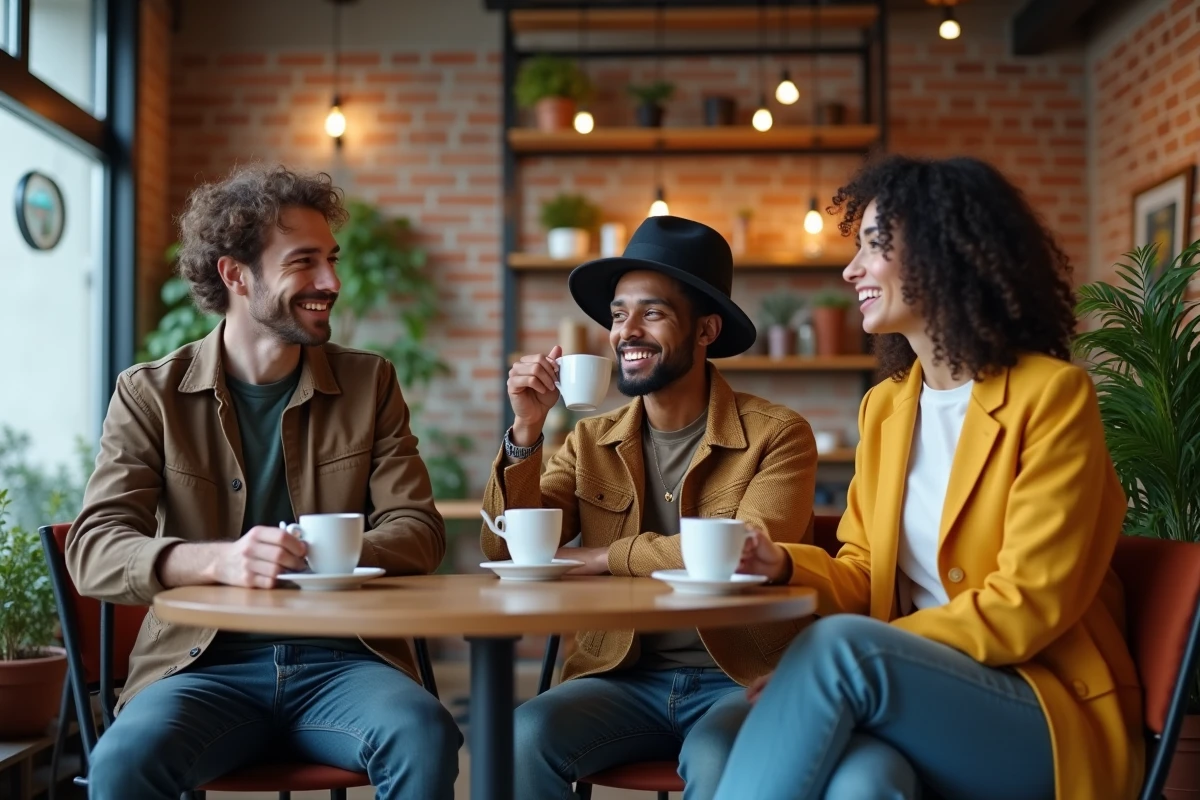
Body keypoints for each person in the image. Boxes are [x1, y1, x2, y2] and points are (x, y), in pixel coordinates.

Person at [717, 154, 1144, 800]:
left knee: (838, 654)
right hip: (918, 702)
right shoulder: (887, 408)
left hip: (1042, 707)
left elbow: (1026, 606)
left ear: (948, 252)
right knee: (865, 784)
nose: (851, 269)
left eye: (874, 246)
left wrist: (858, 655)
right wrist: (783, 565)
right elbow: (864, 572)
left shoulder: (1053, 398)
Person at [66, 164, 462, 800]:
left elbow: (420, 533)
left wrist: (322, 553)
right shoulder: (150, 394)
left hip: (346, 661)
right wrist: (222, 559)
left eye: (331, 260)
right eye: (304, 262)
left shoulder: (370, 382)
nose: (331, 282)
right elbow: (93, 550)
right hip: (197, 667)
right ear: (235, 275)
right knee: (122, 764)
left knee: (425, 734)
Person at [482, 215, 818, 800]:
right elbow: (507, 545)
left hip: (737, 679)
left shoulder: (779, 435)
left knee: (718, 757)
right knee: (523, 735)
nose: (625, 332)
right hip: (619, 677)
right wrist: (526, 432)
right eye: (617, 315)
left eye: (652, 313)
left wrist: (605, 556)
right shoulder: (588, 442)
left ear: (707, 330)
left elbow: (745, 552)